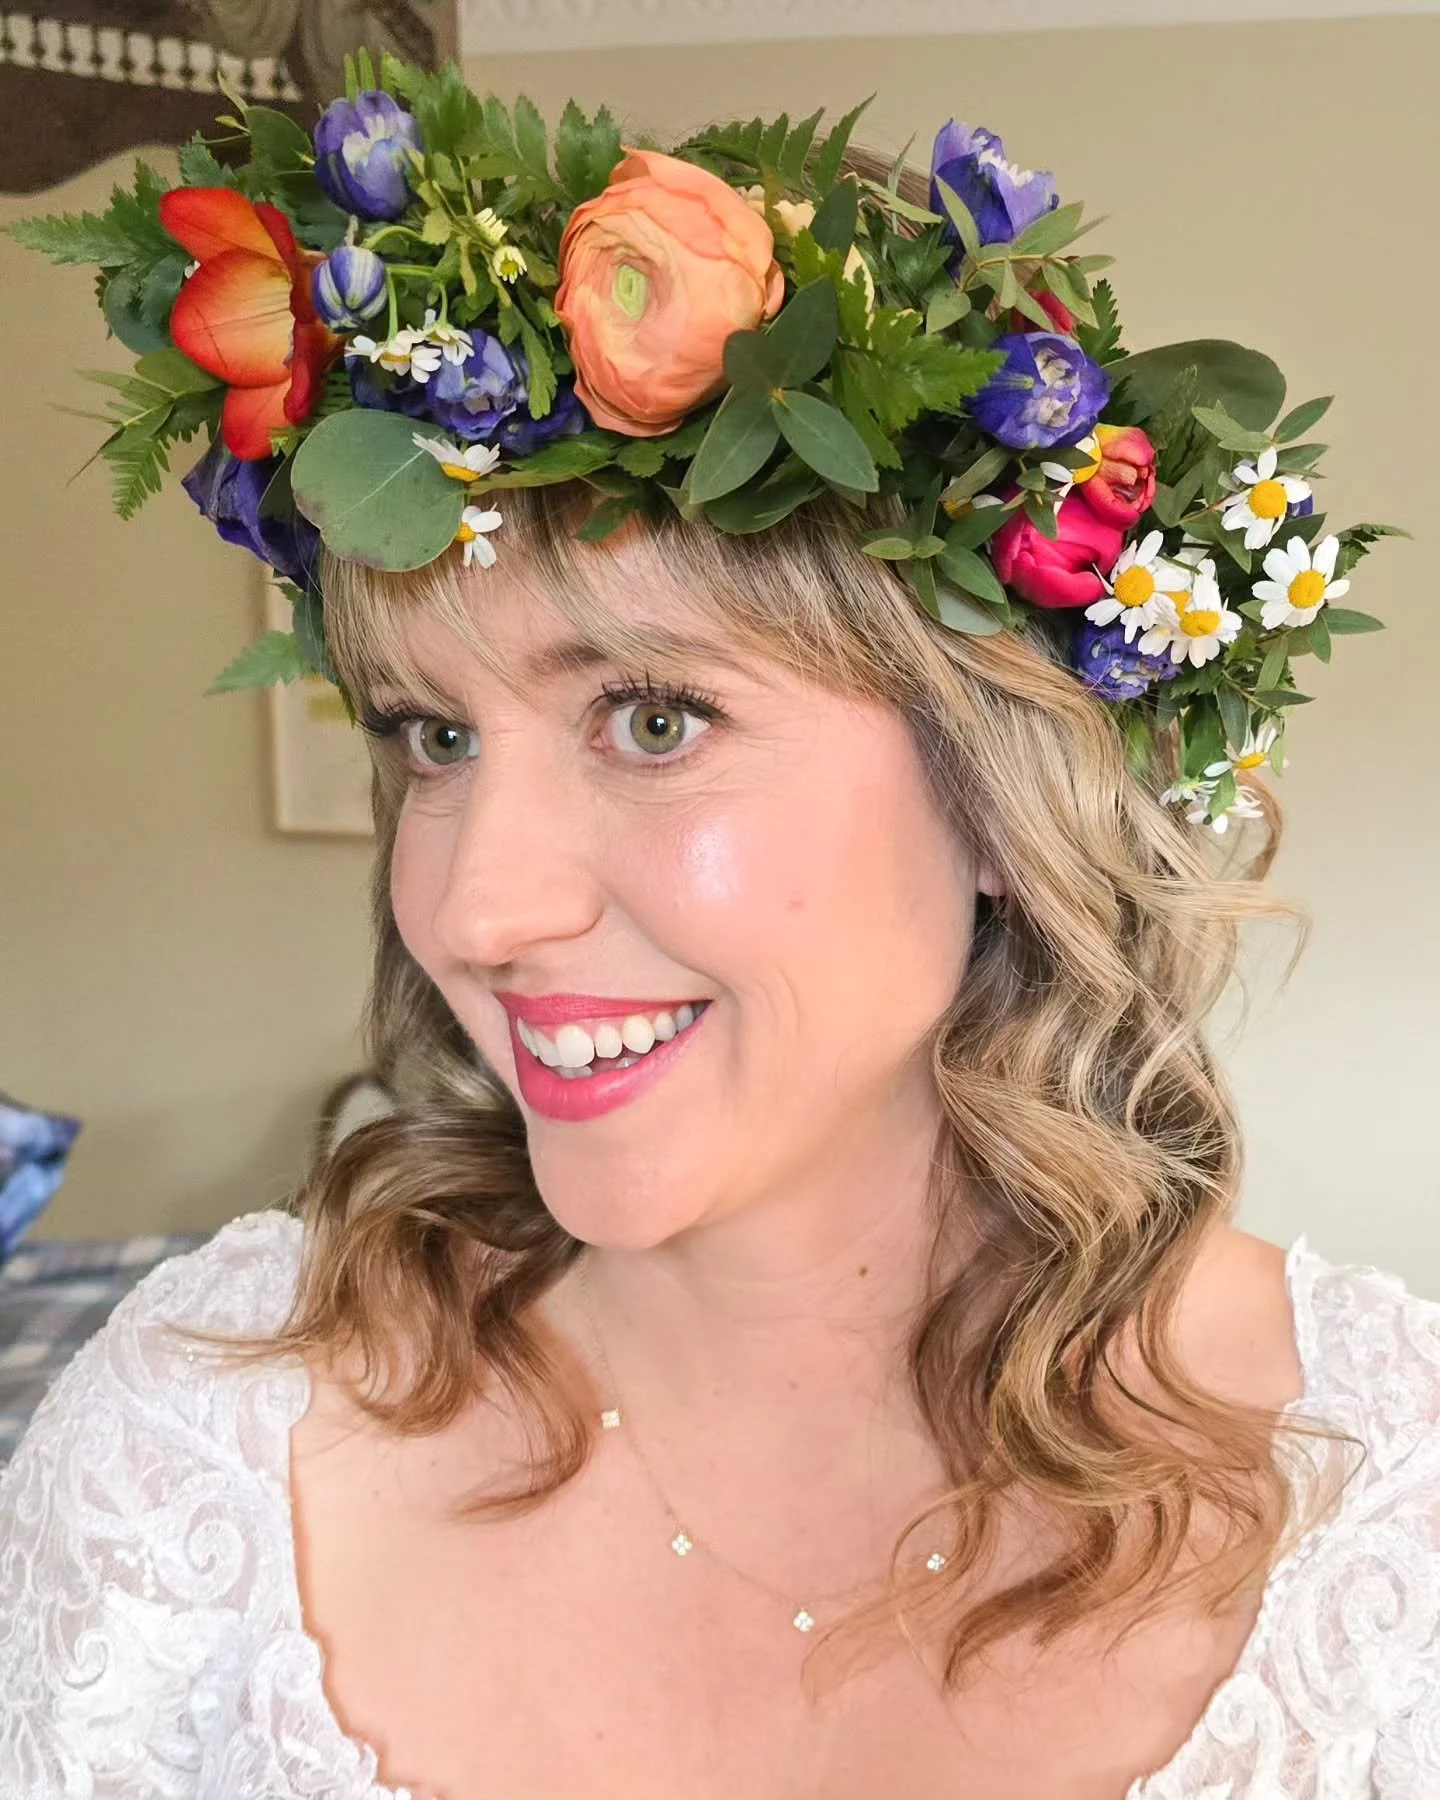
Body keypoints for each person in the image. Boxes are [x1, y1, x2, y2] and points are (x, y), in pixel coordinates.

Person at [2, 61, 1434, 1800]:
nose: (472, 906)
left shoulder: (1386, 1516)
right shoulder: (196, 1453)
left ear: (1001, 789)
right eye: (432, 737)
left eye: (654, 719)